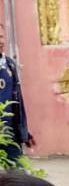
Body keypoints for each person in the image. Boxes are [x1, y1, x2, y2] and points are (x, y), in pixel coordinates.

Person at [0, 28, 32, 167]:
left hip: (11, 134)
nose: (1, 41)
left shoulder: (9, 64)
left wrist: (24, 131)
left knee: (18, 177)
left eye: (2, 36)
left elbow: (18, 101)